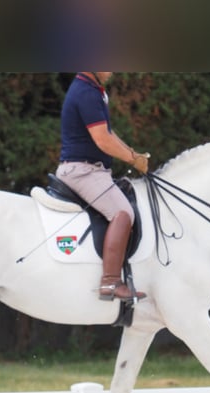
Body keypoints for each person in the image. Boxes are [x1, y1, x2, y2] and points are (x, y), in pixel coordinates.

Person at [56, 72, 151, 301]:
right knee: (123, 212)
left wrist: (133, 155)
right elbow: (103, 140)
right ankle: (110, 282)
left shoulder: (93, 89)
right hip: (83, 171)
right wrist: (133, 159)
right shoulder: (86, 92)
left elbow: (109, 133)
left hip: (92, 169)